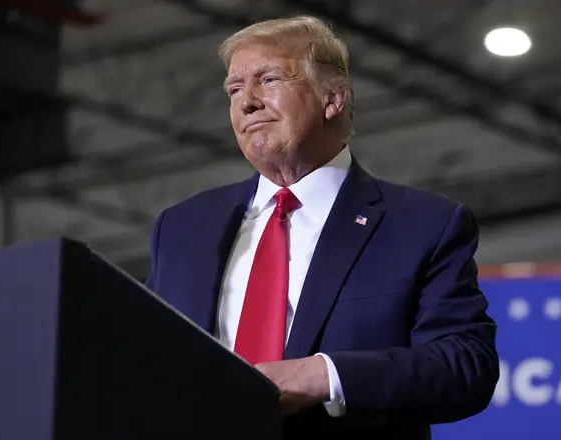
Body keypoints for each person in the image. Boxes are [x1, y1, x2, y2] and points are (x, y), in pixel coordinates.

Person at [145, 15, 499, 439]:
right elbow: (142, 361)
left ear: (332, 98)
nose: (247, 102)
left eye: (269, 79)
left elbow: (465, 366)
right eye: (234, 89)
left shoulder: (424, 225)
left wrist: (323, 376)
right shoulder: (182, 228)